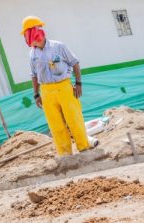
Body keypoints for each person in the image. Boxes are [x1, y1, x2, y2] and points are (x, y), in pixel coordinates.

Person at [23, 15, 92, 156]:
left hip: (64, 87)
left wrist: (78, 83)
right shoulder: (32, 54)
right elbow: (34, 75)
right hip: (46, 91)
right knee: (56, 124)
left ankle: (83, 147)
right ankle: (65, 153)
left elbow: (74, 63)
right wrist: (36, 94)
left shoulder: (58, 46)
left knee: (74, 119)